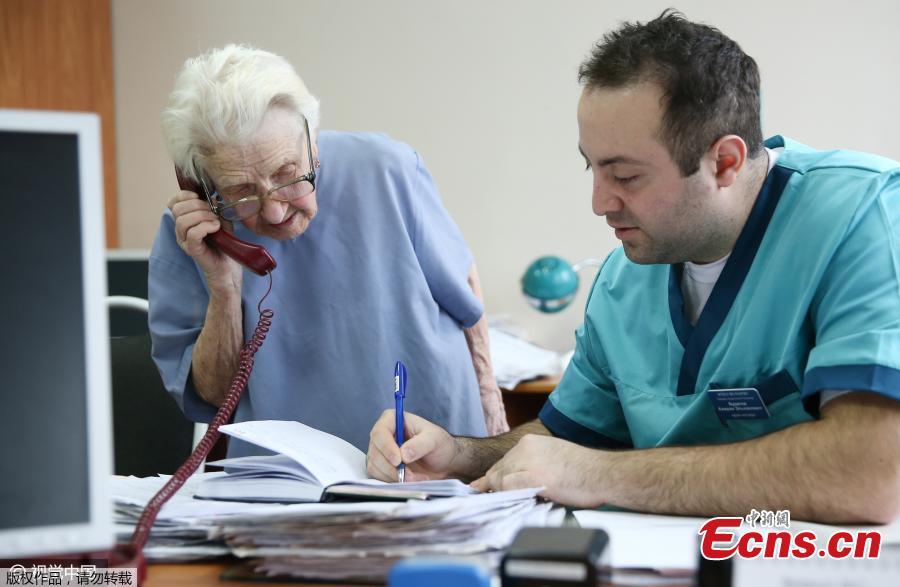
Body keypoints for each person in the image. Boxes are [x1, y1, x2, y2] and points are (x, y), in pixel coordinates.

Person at [367, 11, 900, 524]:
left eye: (624, 176)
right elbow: (569, 442)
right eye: (592, 169)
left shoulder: (862, 218)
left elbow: (872, 474)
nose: (599, 203)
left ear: (724, 162)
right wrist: (460, 455)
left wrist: (602, 476)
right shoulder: (626, 277)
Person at [149, 44, 508, 459]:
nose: (275, 209)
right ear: (200, 182)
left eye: (287, 174)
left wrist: (491, 414)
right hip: (286, 475)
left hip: (428, 454)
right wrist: (225, 289)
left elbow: (464, 288)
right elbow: (212, 397)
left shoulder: (386, 169)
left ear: (313, 140)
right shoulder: (193, 233)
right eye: (240, 190)